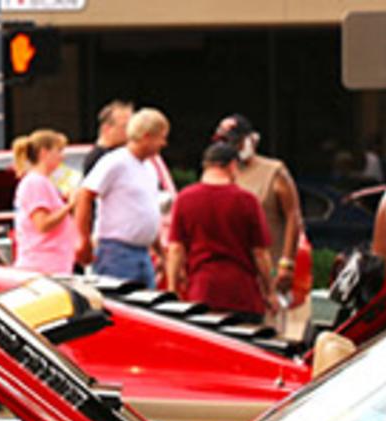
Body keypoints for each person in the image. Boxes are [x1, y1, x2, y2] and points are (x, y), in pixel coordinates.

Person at [164, 141, 273, 321]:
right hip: (242, 294)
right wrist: (269, 292)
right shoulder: (247, 200)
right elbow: (260, 253)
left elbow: (176, 249)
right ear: (232, 166)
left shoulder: (184, 199)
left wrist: (172, 288)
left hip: (202, 292)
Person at [216, 114, 304, 330]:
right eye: (225, 142)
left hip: (268, 267)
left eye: (236, 141)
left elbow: (293, 216)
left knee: (267, 331)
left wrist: (287, 263)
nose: (231, 147)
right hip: (233, 271)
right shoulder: (220, 173)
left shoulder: (274, 171)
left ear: (251, 140)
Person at [74, 109, 169, 287]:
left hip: (142, 251)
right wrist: (83, 239)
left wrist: (160, 252)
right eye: (161, 138)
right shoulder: (115, 162)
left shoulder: (149, 168)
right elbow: (85, 194)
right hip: (116, 250)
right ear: (147, 137)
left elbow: (147, 211)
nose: (163, 143)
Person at [11, 129, 80, 274]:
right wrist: (70, 206)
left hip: (52, 264)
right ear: (44, 153)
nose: (62, 157)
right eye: (58, 151)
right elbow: (42, 224)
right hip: (43, 265)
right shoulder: (36, 182)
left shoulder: (42, 182)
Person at [81, 100, 134, 176]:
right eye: (125, 126)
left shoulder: (125, 153)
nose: (131, 131)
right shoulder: (97, 160)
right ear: (106, 129)